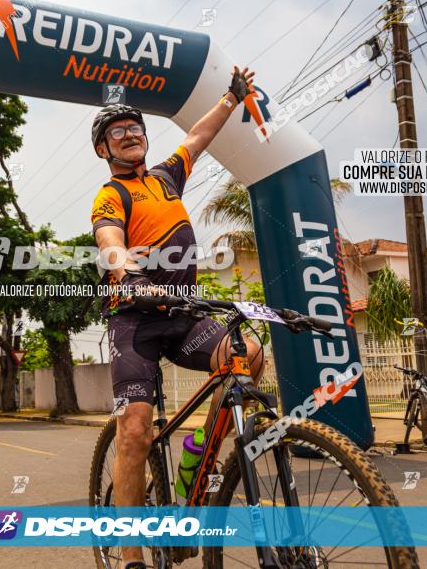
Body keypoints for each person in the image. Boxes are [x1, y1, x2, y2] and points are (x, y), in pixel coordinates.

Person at [90, 66, 263, 568]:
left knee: (247, 355)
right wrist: (128, 275)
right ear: (104, 149)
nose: (129, 135)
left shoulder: (166, 177)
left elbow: (197, 136)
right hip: (136, 321)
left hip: (184, 315)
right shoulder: (111, 193)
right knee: (137, 432)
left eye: (134, 128)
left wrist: (232, 98)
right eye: (116, 132)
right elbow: (110, 243)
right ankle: (130, 557)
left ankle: (194, 467)